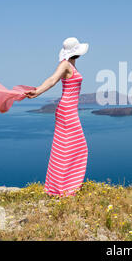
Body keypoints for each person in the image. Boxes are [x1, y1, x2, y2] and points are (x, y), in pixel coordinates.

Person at [25, 37, 89, 196]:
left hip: (69, 109)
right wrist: (38, 91)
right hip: (67, 110)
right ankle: (64, 188)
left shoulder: (71, 66)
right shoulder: (65, 65)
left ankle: (62, 187)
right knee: (78, 147)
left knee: (66, 147)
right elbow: (52, 79)